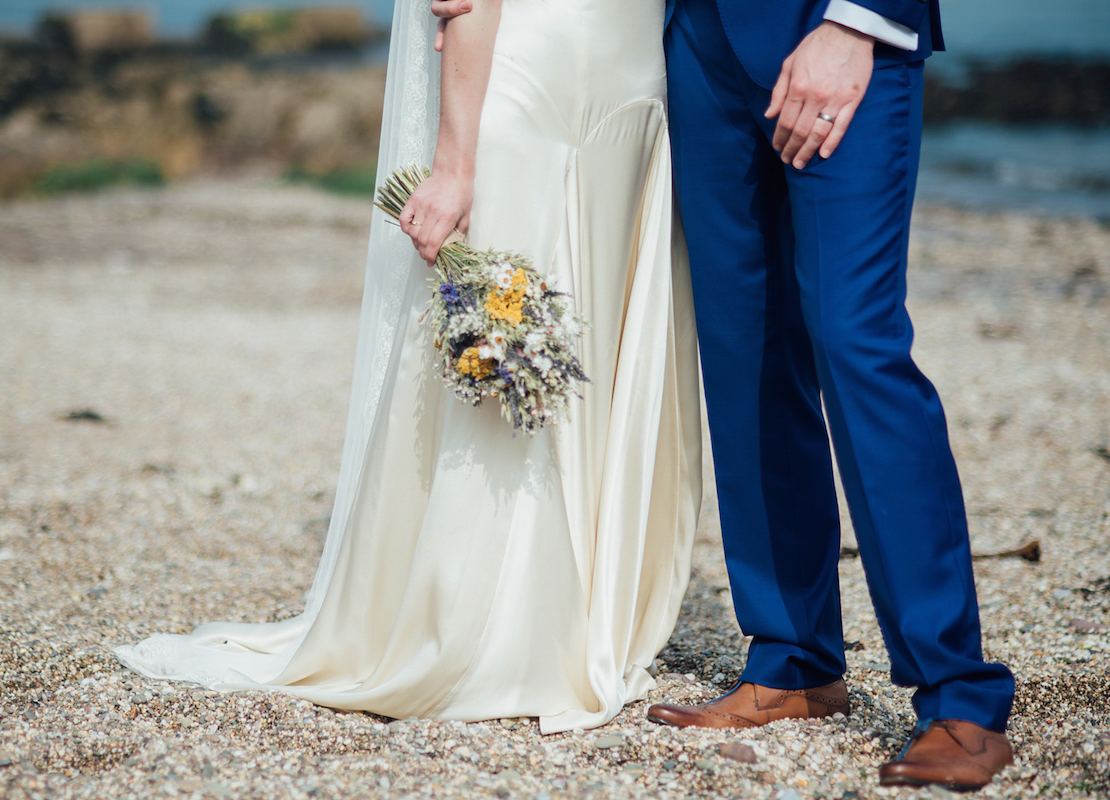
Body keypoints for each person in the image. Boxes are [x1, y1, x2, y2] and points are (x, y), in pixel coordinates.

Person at [433, 0, 1016, 791]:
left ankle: (959, 696)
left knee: (855, 341)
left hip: (831, 31)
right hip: (697, 46)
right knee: (747, 354)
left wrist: (856, 24)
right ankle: (792, 660)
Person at [114, 0, 702, 734]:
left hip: (635, 72)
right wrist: (454, 165)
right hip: (543, 64)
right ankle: (506, 615)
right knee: (521, 335)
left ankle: (584, 610)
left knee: (594, 324)